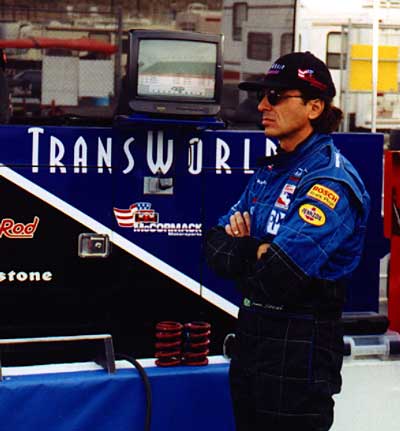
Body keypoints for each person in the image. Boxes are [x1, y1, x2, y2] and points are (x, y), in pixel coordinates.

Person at [205, 51, 370, 431]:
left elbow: (279, 276)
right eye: (263, 95)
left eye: (276, 97)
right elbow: (213, 246)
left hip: (301, 350)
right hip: (251, 340)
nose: (262, 105)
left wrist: (246, 249)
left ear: (314, 107)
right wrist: (258, 252)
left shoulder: (330, 181)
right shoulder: (270, 171)